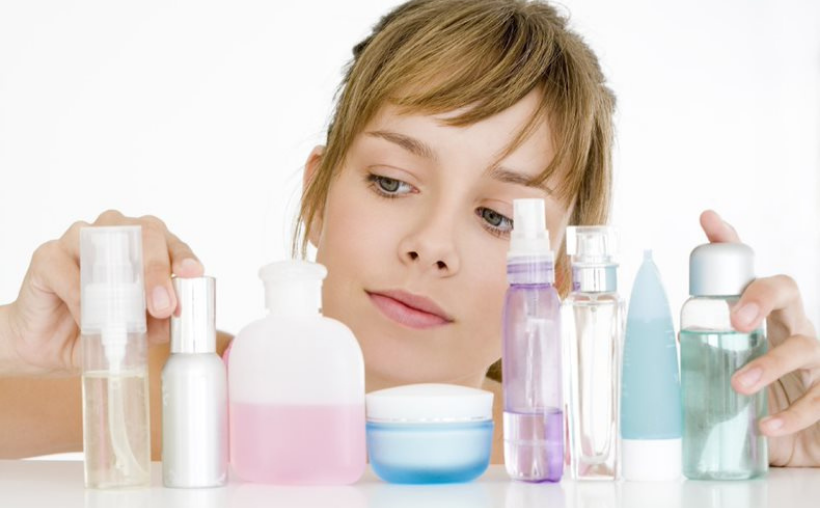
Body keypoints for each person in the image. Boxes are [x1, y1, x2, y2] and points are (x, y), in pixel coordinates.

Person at [1, 0, 818, 467]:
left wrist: (760, 435)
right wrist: (13, 346)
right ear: (319, 192)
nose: (432, 246)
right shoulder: (164, 392)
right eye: (392, 182)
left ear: (561, 277)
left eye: (499, 216)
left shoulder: (589, 458)